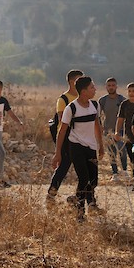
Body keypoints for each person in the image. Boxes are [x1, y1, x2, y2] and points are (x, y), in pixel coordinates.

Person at [52, 76, 105, 221]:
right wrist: (57, 154)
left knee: (93, 181)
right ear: (83, 91)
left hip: (91, 146)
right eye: (92, 88)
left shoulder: (95, 105)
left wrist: (101, 146)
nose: (95, 90)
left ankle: (75, 198)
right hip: (75, 146)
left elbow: (97, 126)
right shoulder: (72, 108)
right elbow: (62, 131)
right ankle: (80, 212)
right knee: (84, 178)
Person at [46, 69, 84, 203]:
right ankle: (51, 193)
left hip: (80, 137)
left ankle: (81, 197)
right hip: (67, 137)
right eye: (77, 80)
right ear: (70, 82)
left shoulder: (84, 99)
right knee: (64, 166)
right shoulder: (63, 99)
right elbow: (63, 120)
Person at [115, 83, 134, 190]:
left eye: (133, 91)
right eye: (129, 91)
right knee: (133, 160)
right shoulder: (124, 104)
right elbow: (120, 119)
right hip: (130, 139)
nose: (131, 93)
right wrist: (117, 132)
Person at [98, 77, 126, 181]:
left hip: (120, 130)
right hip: (108, 130)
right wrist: (100, 126)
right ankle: (115, 173)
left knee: (122, 151)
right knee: (111, 153)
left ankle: (125, 171)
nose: (111, 87)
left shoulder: (122, 100)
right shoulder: (102, 100)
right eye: (109, 85)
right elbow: (98, 115)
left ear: (116, 86)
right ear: (106, 87)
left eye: (113, 85)